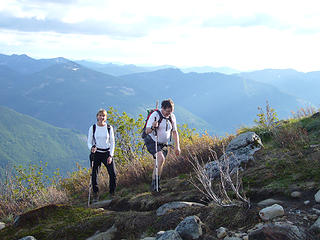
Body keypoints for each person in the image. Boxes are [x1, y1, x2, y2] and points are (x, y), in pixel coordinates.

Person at [145, 99, 181, 192]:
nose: (168, 113)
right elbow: (147, 131)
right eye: (167, 111)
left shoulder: (172, 117)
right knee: (160, 159)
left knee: (160, 163)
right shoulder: (155, 115)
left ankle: (155, 184)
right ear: (162, 108)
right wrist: (153, 126)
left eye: (171, 111)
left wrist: (177, 147)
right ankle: (155, 186)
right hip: (152, 140)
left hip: (164, 144)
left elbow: (175, 132)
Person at [87, 109, 116, 201]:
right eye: (100, 115)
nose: (101, 117)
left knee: (113, 173)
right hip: (96, 153)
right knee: (94, 174)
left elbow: (112, 142)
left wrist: (111, 155)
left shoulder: (109, 128)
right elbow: (89, 142)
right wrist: (91, 148)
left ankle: (112, 193)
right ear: (97, 116)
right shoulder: (93, 128)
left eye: (103, 116)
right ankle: (95, 194)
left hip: (107, 153)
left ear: (106, 117)